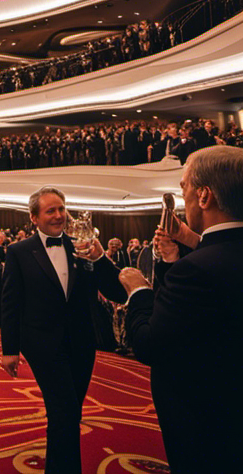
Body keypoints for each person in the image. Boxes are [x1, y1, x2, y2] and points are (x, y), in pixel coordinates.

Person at [118, 146, 243, 473]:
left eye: (184, 188)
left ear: (204, 197)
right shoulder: (208, 258)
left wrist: (139, 291)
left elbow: (148, 345)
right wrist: (191, 239)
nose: (182, 196)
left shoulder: (193, 271)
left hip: (207, 420)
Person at [0, 186, 126, 474]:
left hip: (81, 342)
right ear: (34, 218)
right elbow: (10, 302)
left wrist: (100, 257)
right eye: (50, 211)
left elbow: (116, 291)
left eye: (61, 209)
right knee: (64, 411)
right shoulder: (18, 252)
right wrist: (9, 349)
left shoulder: (83, 246)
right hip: (42, 344)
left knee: (69, 413)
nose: (58, 216)